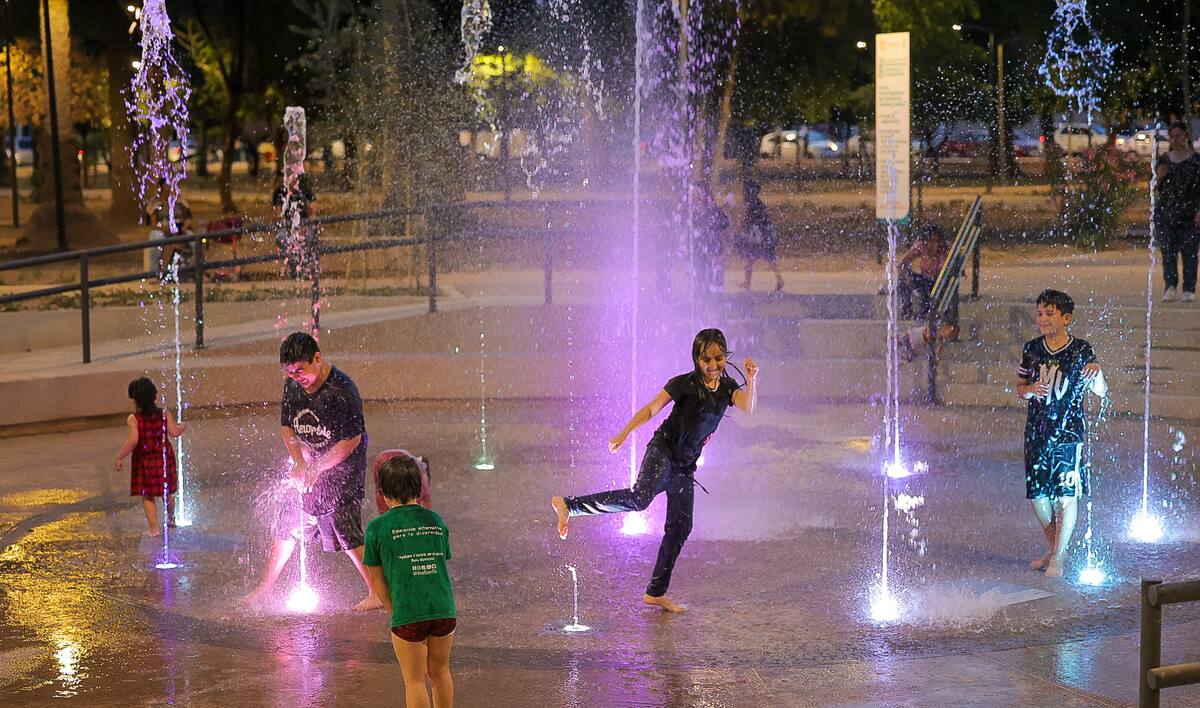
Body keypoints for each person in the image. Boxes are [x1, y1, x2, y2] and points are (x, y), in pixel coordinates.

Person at [551, 329, 759, 612]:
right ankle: (569, 505)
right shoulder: (683, 384)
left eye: (718, 358)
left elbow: (749, 406)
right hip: (663, 452)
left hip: (685, 467)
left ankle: (656, 592)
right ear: (696, 359)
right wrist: (623, 435)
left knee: (681, 527)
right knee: (640, 498)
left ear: (725, 357)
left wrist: (751, 380)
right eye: (706, 358)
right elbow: (651, 410)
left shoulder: (727, 387)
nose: (713, 365)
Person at [243, 332, 382, 611]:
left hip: (344, 468)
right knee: (288, 522)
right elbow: (287, 428)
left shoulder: (342, 389)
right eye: (290, 371)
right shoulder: (292, 386)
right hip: (311, 466)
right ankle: (266, 588)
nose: (296, 377)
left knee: (345, 528)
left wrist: (317, 467)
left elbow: (351, 440)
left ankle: (377, 592)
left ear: (317, 359)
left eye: (300, 370)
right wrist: (299, 461)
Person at [1012, 289, 1107, 578]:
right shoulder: (1031, 349)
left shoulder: (1081, 350)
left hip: (1069, 434)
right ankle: (1054, 547)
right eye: (1040, 313)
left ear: (1066, 318)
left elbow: (1101, 391)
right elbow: (1020, 387)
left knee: (1066, 494)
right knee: (1039, 496)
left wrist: (1097, 371)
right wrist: (1030, 391)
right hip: (1037, 431)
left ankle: (1060, 558)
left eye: (1049, 313)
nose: (1042, 318)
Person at [364, 454, 456, 708]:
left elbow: (377, 579)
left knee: (414, 680)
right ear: (418, 486)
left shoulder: (377, 528)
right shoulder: (435, 521)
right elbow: (440, 560)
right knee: (440, 673)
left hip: (408, 612)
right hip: (443, 609)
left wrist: (393, 610)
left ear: (382, 491)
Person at [115, 377, 187, 536]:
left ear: (134, 400)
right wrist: (183, 426)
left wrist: (120, 456)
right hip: (164, 458)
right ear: (154, 396)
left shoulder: (133, 419)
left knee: (148, 496)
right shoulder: (164, 413)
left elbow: (133, 440)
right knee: (167, 492)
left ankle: (154, 529)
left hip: (145, 460)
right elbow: (174, 433)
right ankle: (171, 520)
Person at [1154, 121, 1200, 302]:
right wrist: (1159, 177)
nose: (1176, 140)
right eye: (1172, 137)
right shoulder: (1164, 160)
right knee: (1168, 252)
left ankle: (1189, 288)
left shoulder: (1195, 161)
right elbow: (1154, 189)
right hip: (1167, 214)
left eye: (1179, 135)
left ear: (1186, 137)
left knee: (1190, 252)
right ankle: (1170, 286)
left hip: (1189, 214)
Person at [736, 179, 785, 292]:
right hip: (761, 235)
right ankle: (778, 280)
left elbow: (751, 220)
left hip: (759, 236)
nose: (743, 193)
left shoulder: (754, 204)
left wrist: (743, 226)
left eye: (745, 191)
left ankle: (750, 283)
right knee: (765, 259)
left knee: (753, 259)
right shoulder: (757, 203)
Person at [897, 224, 950, 320]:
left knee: (926, 285)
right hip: (925, 280)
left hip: (937, 283)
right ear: (925, 241)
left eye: (938, 241)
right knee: (902, 281)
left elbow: (946, 273)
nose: (936, 245)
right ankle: (907, 309)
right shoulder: (921, 246)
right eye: (932, 241)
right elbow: (902, 263)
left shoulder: (944, 250)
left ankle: (925, 311)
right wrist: (907, 277)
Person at [372, 449, 432, 515]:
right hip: (384, 461)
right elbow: (427, 504)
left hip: (383, 460)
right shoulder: (420, 486)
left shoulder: (419, 484)